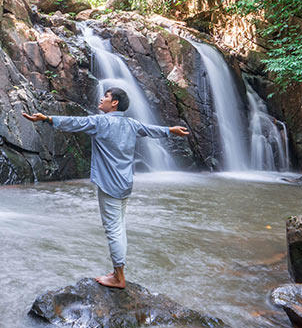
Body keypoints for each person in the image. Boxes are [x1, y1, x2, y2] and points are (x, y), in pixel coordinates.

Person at [22, 87, 189, 289]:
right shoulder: (131, 124)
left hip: (109, 184)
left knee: (113, 230)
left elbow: (74, 123)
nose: (102, 99)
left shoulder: (100, 122)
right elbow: (149, 129)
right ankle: (118, 269)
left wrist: (46, 119)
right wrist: (170, 130)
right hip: (126, 183)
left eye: (106, 97)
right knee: (120, 227)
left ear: (115, 103)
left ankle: (119, 277)